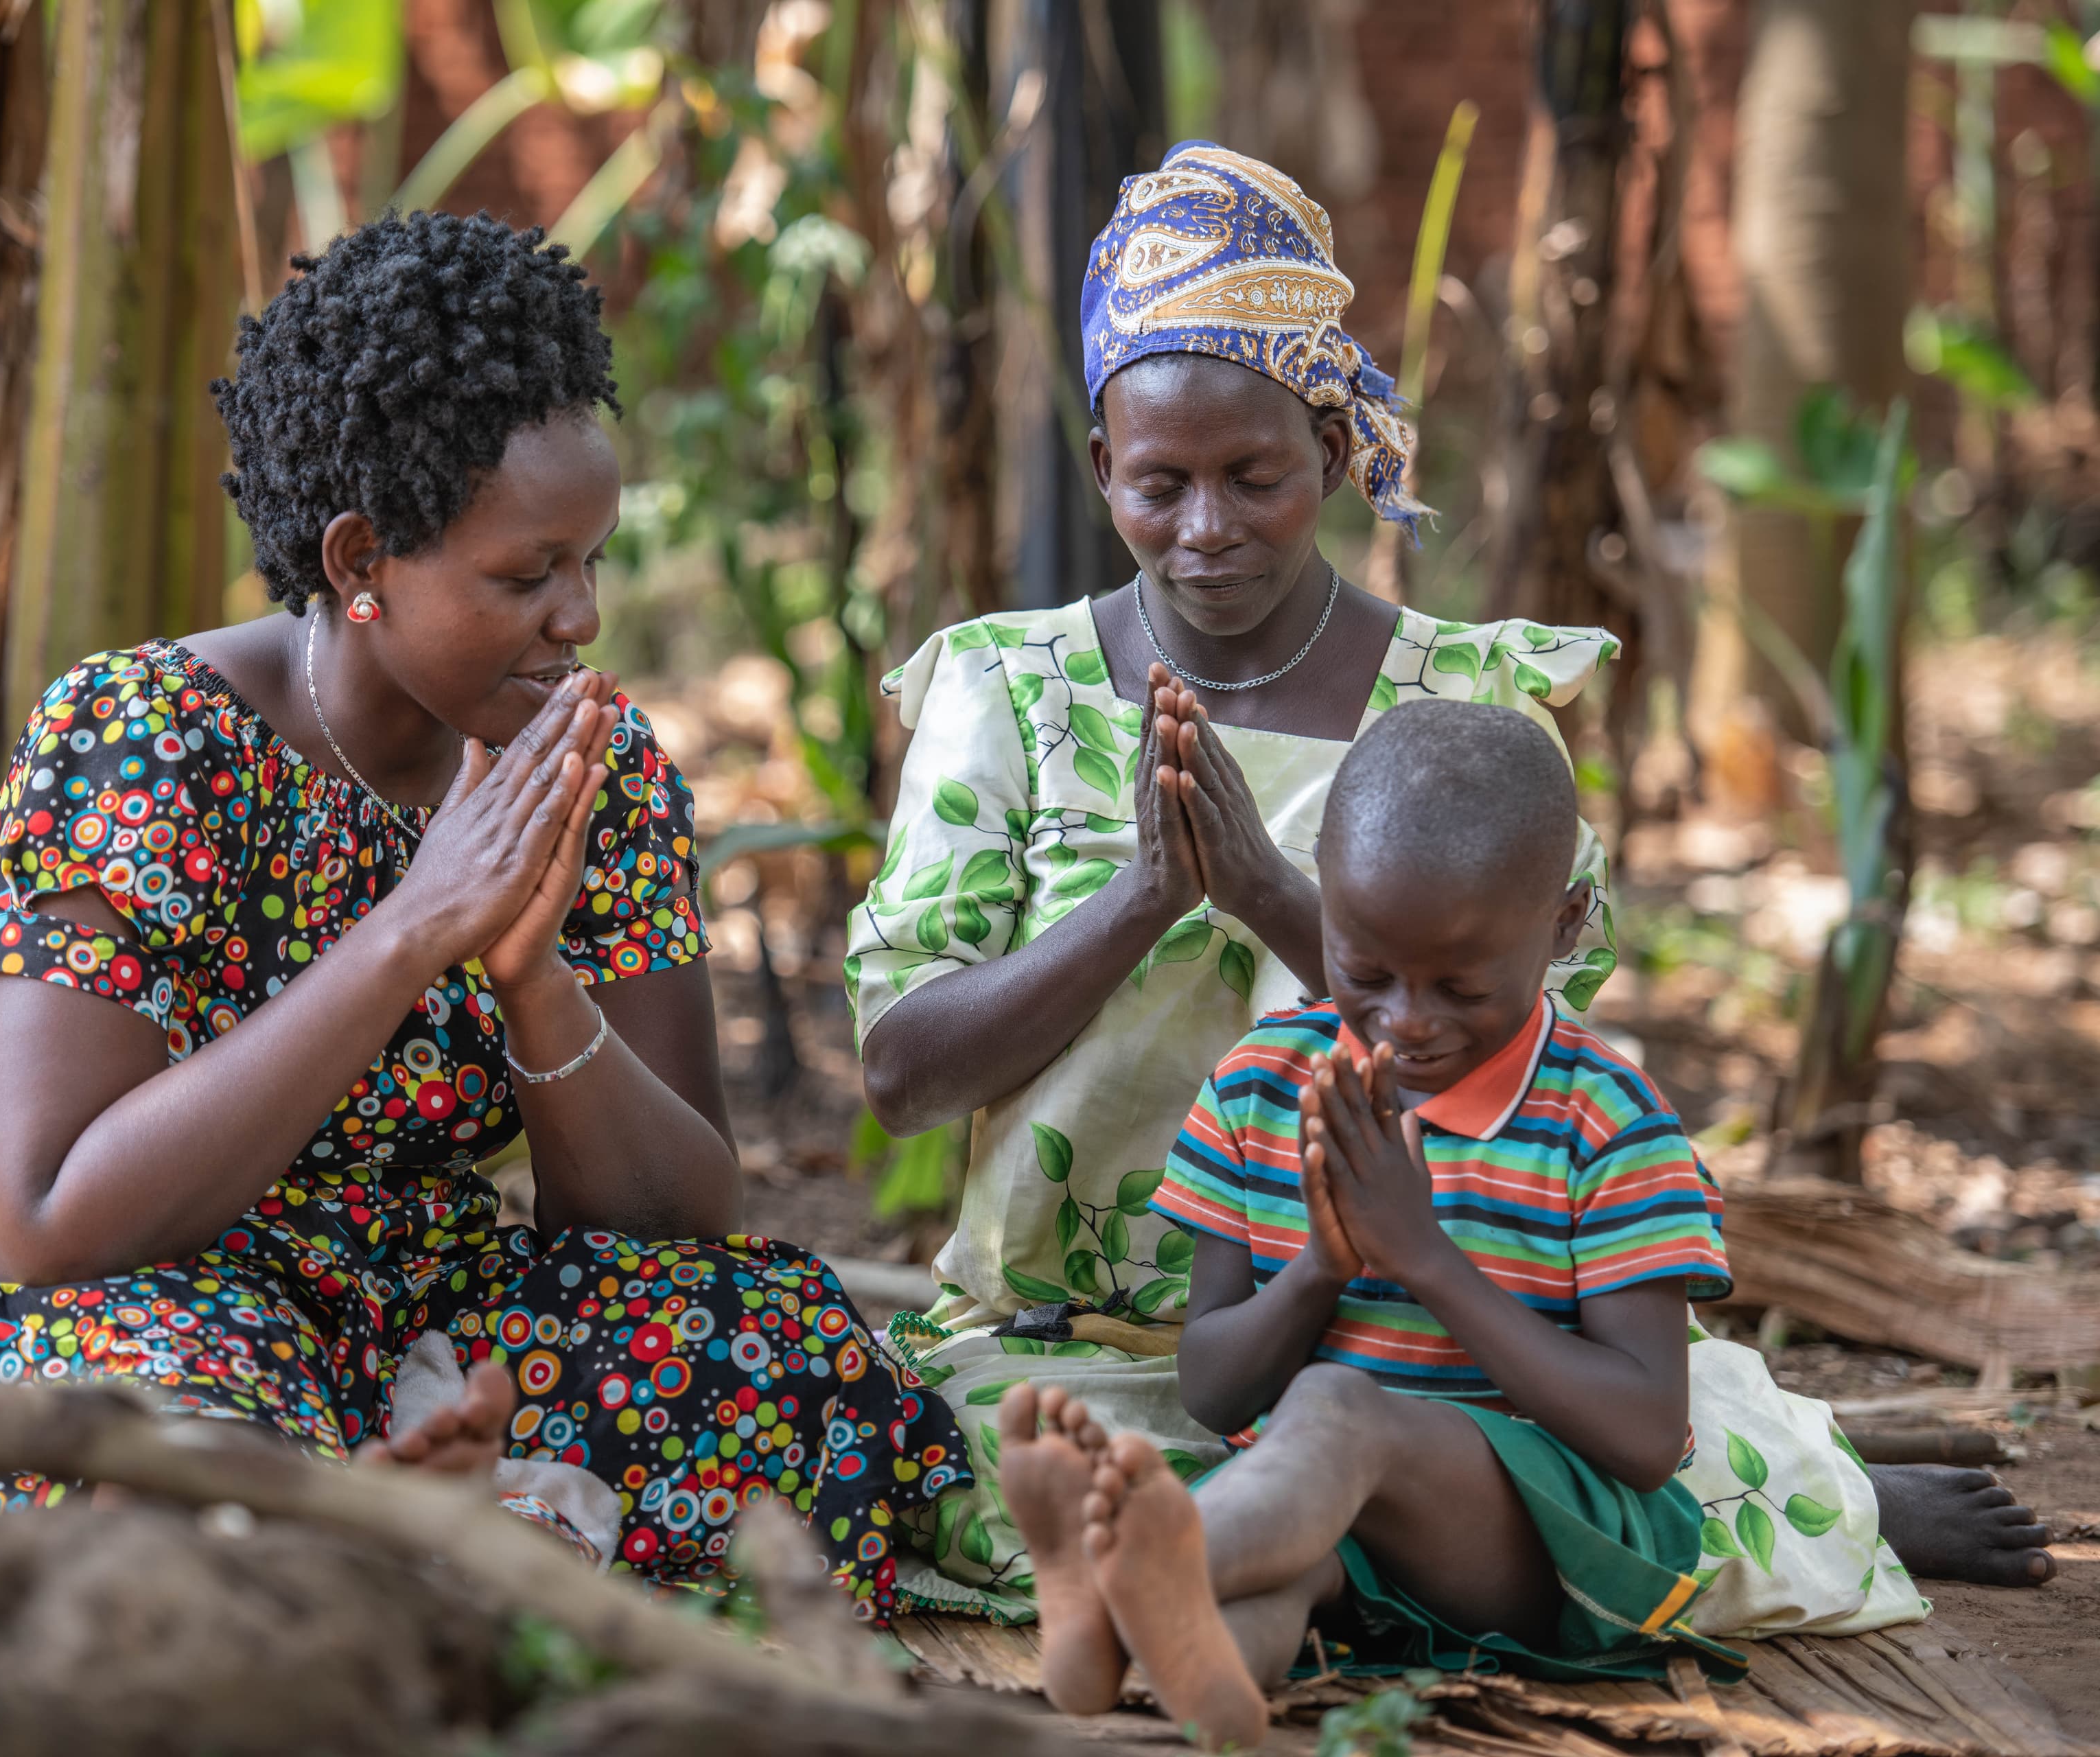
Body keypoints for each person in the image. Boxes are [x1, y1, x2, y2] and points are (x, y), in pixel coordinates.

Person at [846, 140, 2048, 1622]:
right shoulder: (1004, 690)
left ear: (1340, 454)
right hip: (1068, 1328)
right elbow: (901, 1074)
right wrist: (1139, 901)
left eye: (1256, 475)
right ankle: (1781, 1500)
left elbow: (1524, 1036)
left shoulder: (1465, 697)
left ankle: (1813, 1494)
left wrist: (1269, 886)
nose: (1207, 528)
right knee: (939, 1467)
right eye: (1160, 483)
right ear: (1103, 469)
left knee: (1644, 1434)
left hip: (1426, 1317)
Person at [0, 212, 967, 1622]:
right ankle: (419, 1529)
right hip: (110, 1292)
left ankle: (407, 1517)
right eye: (527, 576)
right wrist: (414, 926)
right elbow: (42, 1215)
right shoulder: (145, 736)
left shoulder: (597, 768)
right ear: (360, 560)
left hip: (398, 1299)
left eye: (590, 562)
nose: (580, 617)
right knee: (153, 1434)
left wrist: (538, 982)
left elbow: (666, 1220)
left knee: (791, 1364)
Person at [1002, 701, 1743, 1747]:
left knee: (1341, 1406)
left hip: (1552, 1553)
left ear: (1566, 924)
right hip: (1330, 1531)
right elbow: (1216, 1390)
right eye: (1365, 972)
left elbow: (1641, 1437)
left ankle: (1122, 1565)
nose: (1406, 1020)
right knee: (1275, 1578)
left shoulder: (1604, 1123)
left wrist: (1427, 1260)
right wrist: (1319, 1268)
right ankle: (1162, 1655)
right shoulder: (1263, 1086)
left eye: (1460, 987)